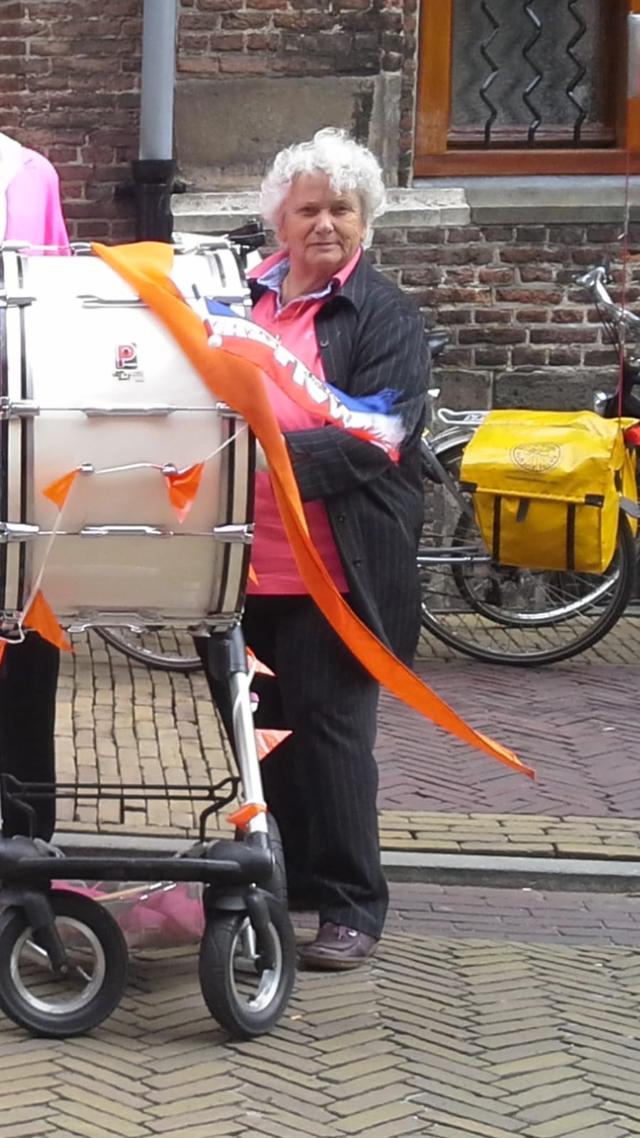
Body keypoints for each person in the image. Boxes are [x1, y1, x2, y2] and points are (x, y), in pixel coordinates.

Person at [198, 128, 429, 969]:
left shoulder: (386, 315)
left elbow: (382, 434)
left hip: (337, 570)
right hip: (241, 567)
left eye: (341, 208)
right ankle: (282, 887)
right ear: (279, 221)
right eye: (308, 209)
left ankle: (350, 906)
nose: (324, 223)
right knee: (264, 736)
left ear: (364, 221)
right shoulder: (235, 301)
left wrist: (260, 462)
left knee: (332, 738)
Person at [0, 132, 69, 840]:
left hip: (11, 451)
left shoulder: (24, 174)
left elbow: (49, 321)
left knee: (21, 652)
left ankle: (23, 846)